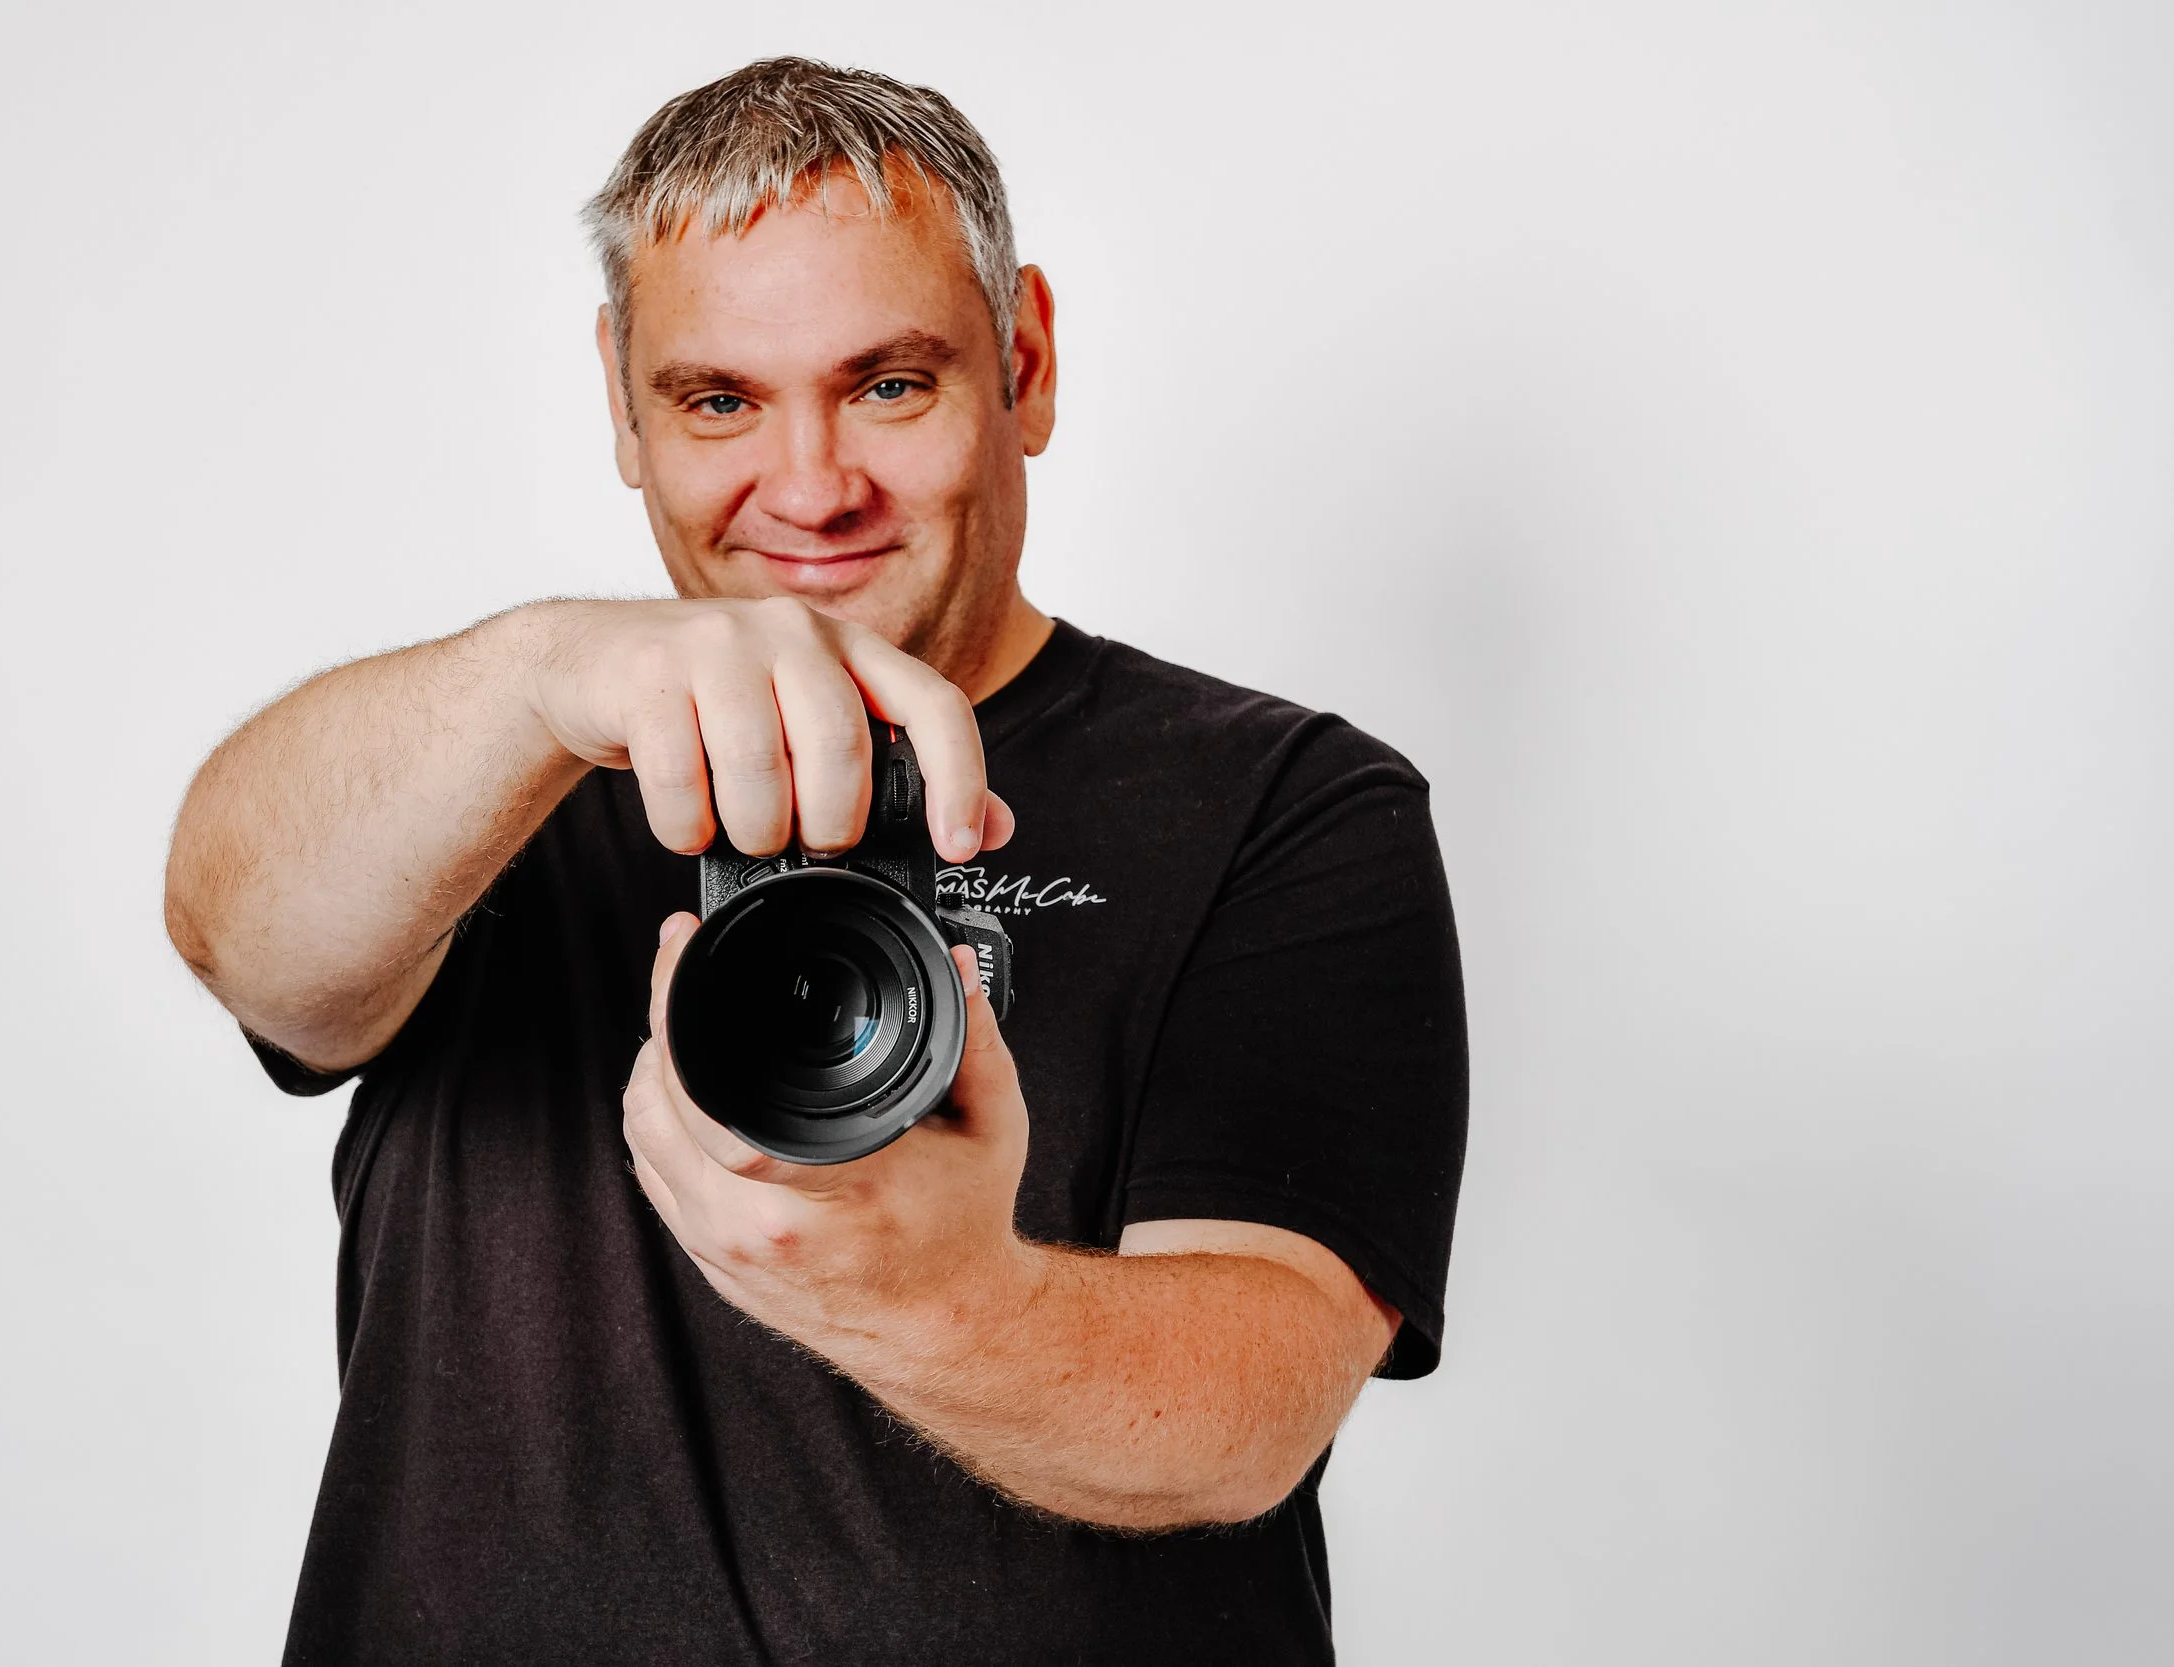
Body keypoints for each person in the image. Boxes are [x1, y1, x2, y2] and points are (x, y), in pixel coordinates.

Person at [164, 56, 1467, 1666]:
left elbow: (1246, 1409)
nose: (809, 489)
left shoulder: (1283, 801)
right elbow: (239, 931)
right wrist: (531, 678)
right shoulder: (495, 772)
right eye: (718, 400)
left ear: (1026, 361)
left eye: (890, 385)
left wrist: (942, 1298)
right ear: (623, 404)